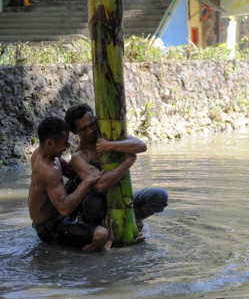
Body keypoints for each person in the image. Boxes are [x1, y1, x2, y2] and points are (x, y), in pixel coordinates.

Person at [64, 103, 168, 230]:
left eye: (92, 124)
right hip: (96, 206)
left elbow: (141, 146)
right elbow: (99, 185)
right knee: (93, 203)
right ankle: (100, 229)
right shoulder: (79, 157)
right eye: (84, 129)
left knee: (159, 196)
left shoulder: (110, 136)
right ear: (74, 131)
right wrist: (126, 164)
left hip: (121, 198)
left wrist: (111, 145)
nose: (90, 130)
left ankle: (133, 220)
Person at [28, 116, 112, 252]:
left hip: (56, 213)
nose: (67, 147)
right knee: (102, 235)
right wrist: (87, 181)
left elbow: (73, 173)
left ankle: (89, 223)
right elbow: (64, 209)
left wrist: (86, 158)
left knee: (81, 178)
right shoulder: (47, 171)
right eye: (64, 143)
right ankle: (81, 255)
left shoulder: (42, 154)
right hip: (50, 227)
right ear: (49, 143)